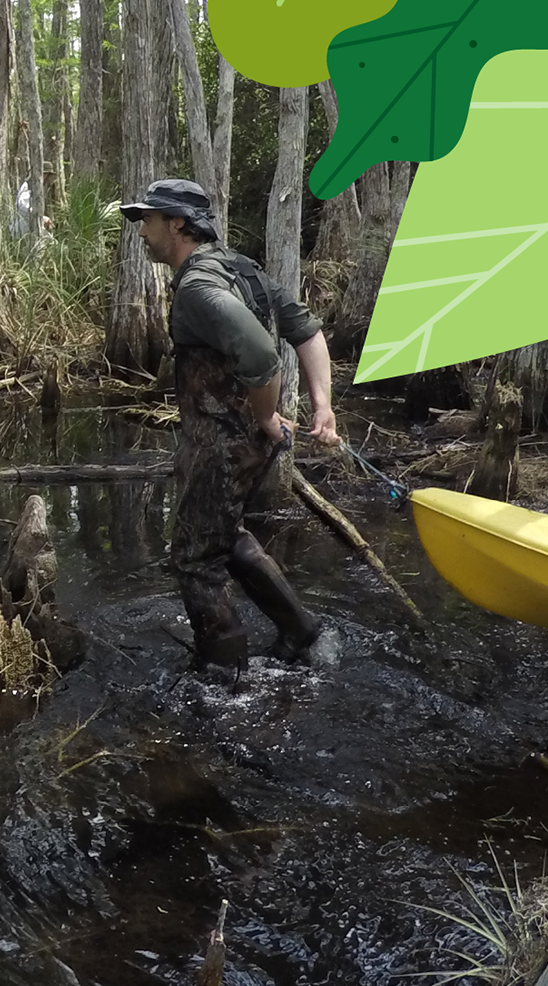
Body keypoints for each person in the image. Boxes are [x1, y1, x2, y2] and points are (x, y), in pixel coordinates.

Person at [119, 178, 343, 670]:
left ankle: (224, 675)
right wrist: (320, 405)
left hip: (222, 445)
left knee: (195, 559)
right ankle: (302, 635)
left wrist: (265, 414)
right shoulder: (242, 269)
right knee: (225, 535)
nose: (141, 230)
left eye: (149, 219)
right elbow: (306, 330)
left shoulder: (198, 286)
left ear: (177, 224)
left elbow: (263, 353)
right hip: (248, 444)